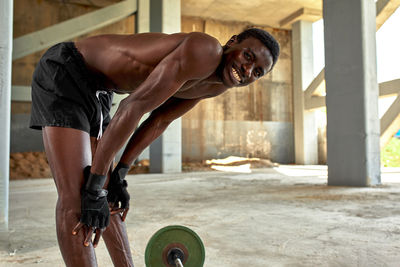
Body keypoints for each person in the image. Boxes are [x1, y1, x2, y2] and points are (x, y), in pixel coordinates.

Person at [29, 28, 280, 266]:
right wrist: (95, 186)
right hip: (69, 68)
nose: (247, 71)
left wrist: (119, 175)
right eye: (248, 56)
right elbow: (133, 106)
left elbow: (160, 120)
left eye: (257, 72)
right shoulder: (206, 50)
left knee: (109, 194)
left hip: (100, 89)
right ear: (233, 42)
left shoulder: (218, 85)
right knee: (77, 198)